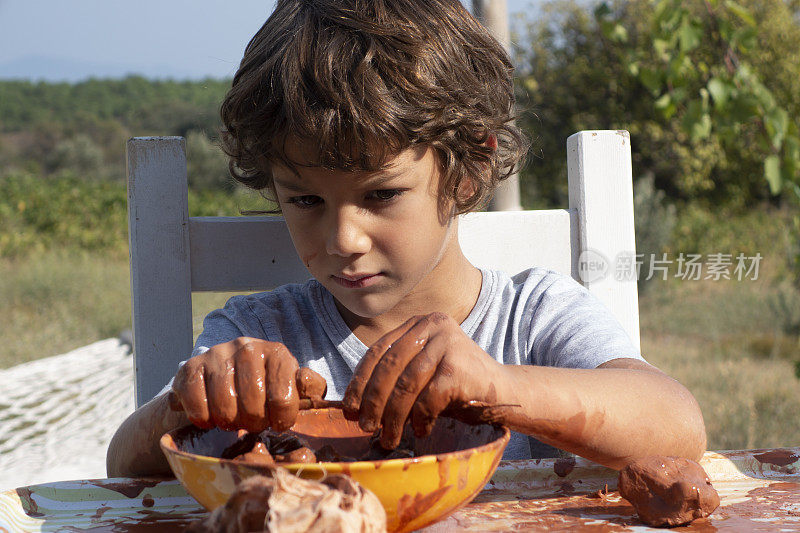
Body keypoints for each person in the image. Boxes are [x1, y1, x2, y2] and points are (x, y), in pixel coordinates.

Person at [106, 0, 706, 477]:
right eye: (305, 200)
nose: (343, 239)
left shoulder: (533, 318)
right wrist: (186, 400)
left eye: (382, 195)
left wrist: (499, 384)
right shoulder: (257, 333)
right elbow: (122, 467)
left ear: (468, 170)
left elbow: (677, 425)